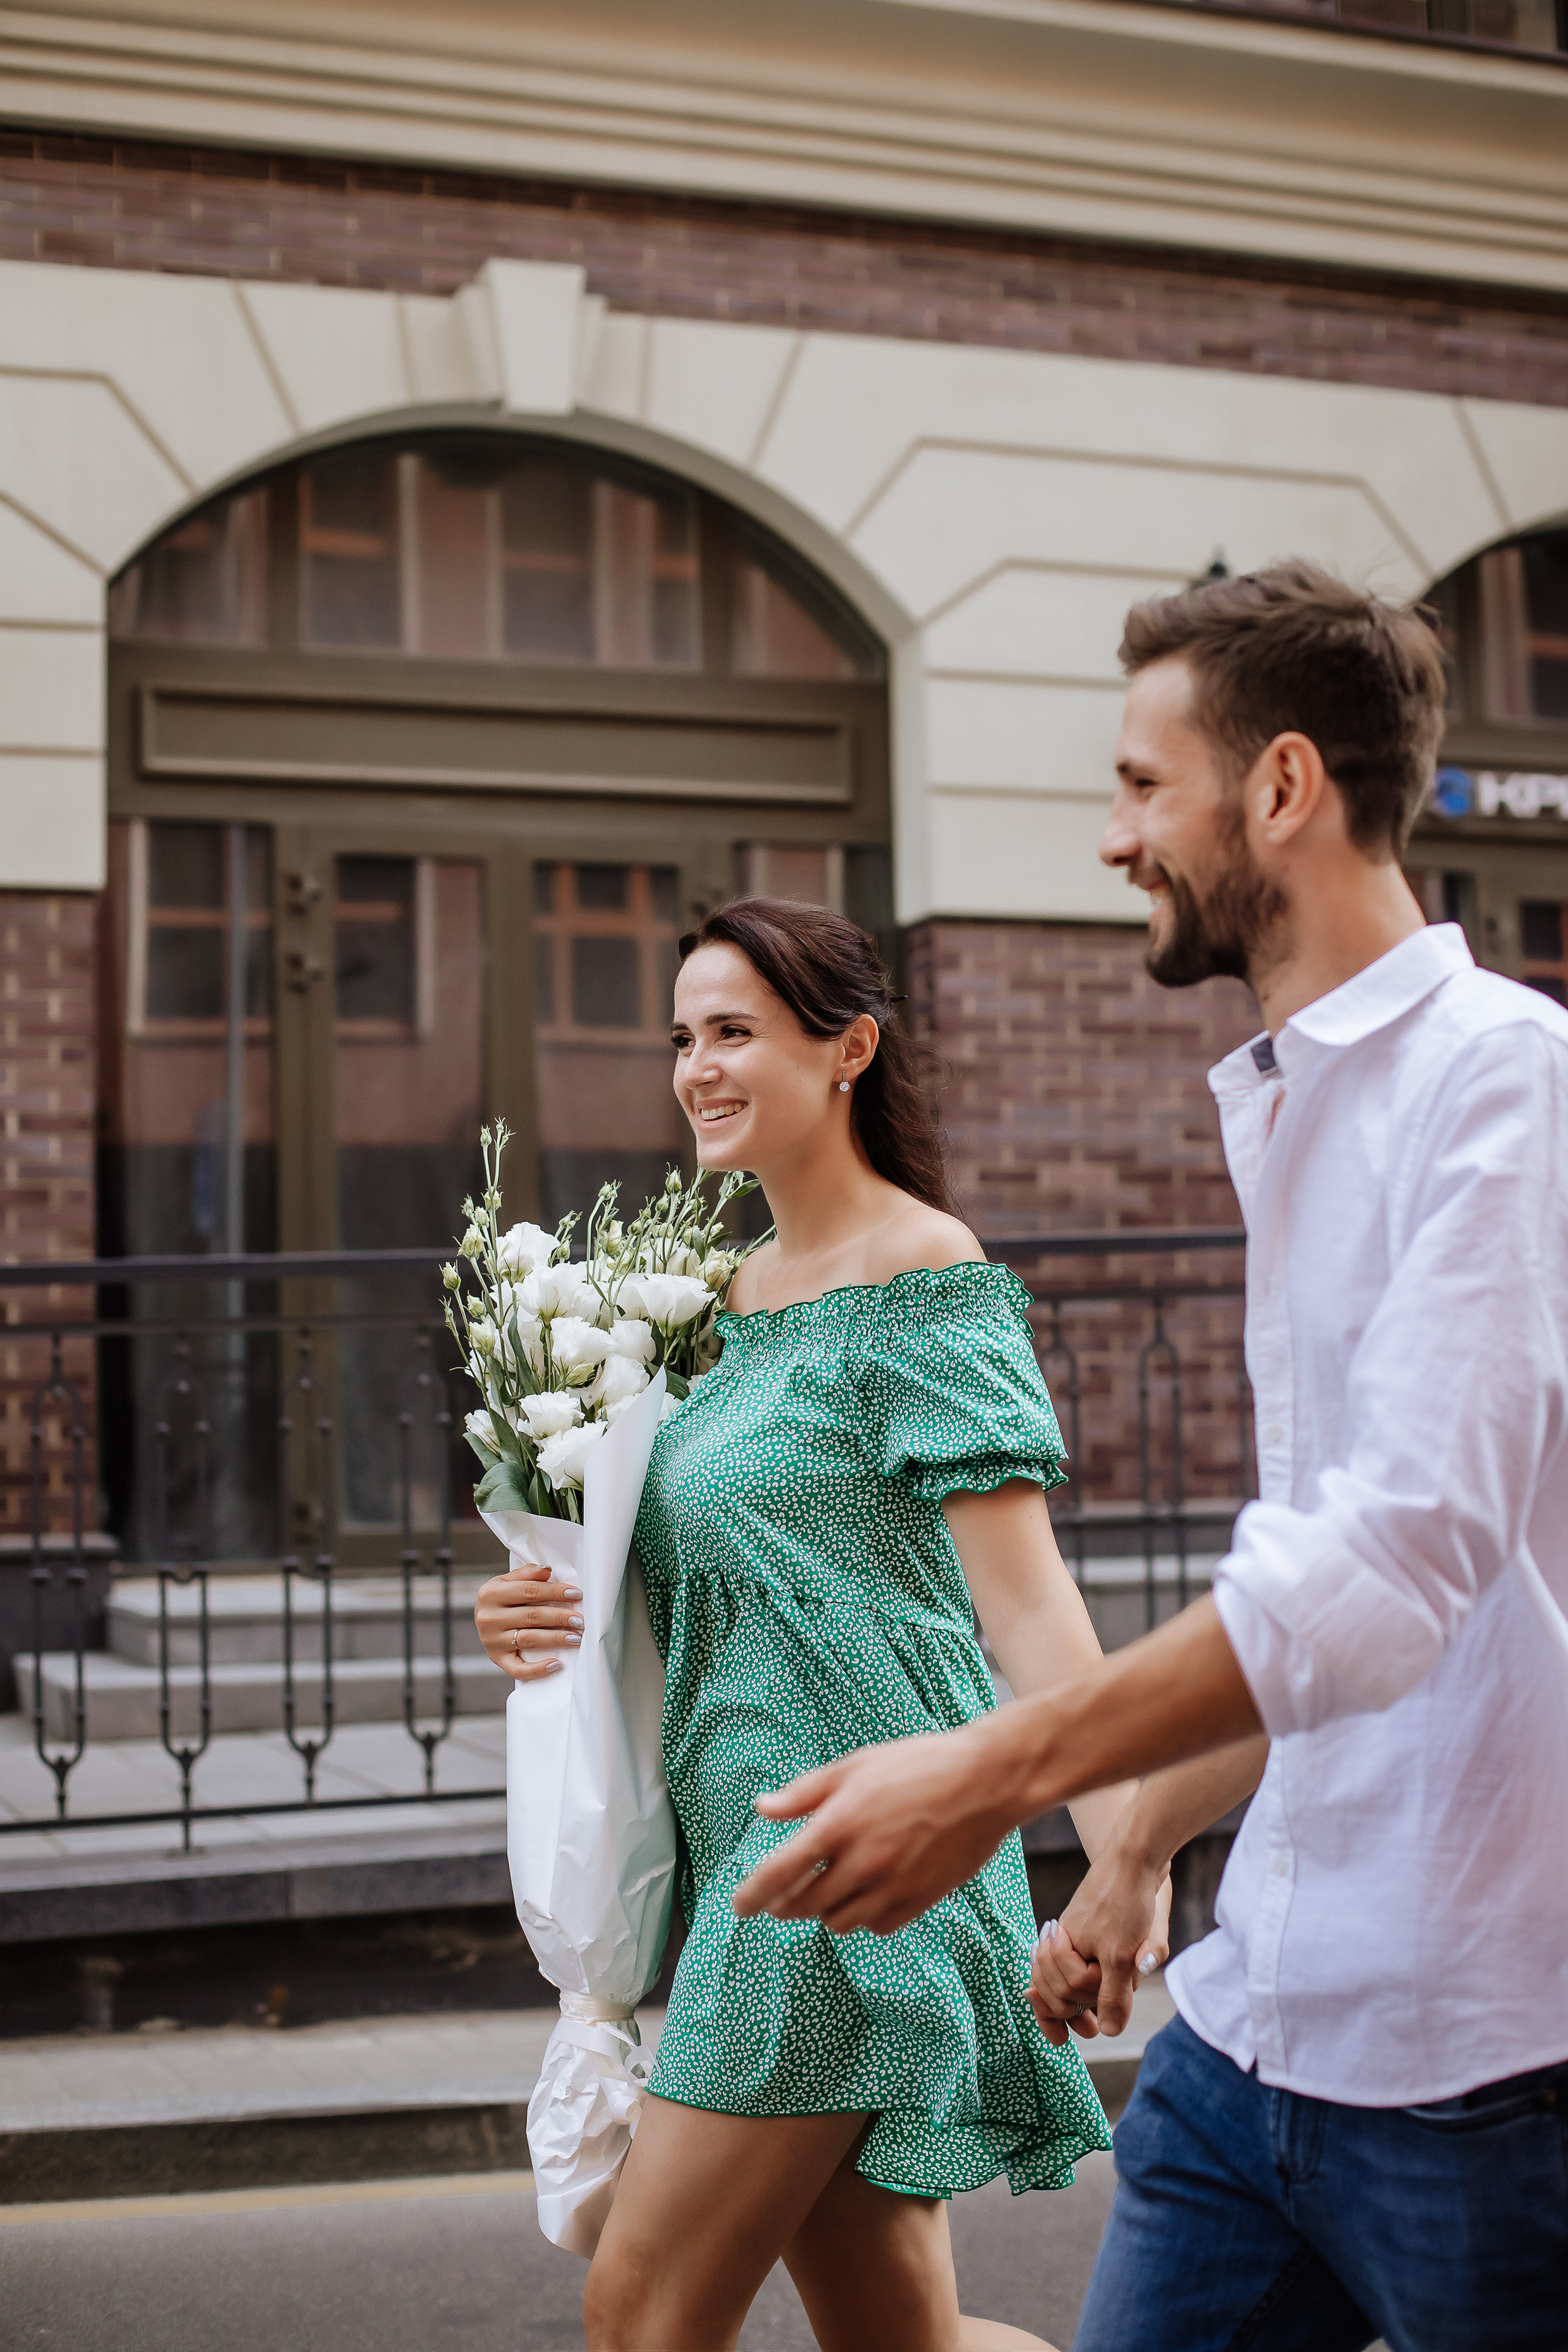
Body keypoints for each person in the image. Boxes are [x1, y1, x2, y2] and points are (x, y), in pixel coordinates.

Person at [733, 564, 1568, 2350]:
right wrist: (1134, 1853)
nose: (1114, 837)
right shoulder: (1294, 1092)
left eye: (1137, 783)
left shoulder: (1507, 1087)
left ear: (1279, 788)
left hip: (1483, 2068)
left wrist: (985, 1778)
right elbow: (1315, 1609)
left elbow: (1387, 1569)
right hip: (1251, 2027)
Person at [475, 896, 1170, 2352]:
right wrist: (545, 1608)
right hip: (744, 1859)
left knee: (640, 2316)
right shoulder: (714, 1308)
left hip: (850, 1878)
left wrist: (1127, 1863)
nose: (697, 1067)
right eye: (682, 1036)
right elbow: (698, 1574)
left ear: (846, 1047)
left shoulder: (923, 1274)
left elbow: (1027, 1608)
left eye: (734, 1031)